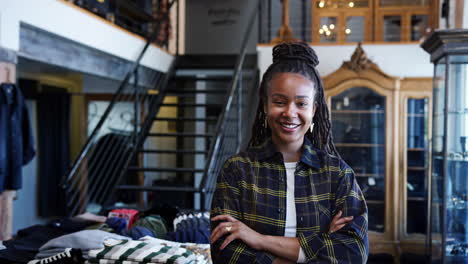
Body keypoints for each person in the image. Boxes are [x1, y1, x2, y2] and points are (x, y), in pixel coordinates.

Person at [210, 42, 368, 263]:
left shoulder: (338, 174)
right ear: (265, 105)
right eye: (279, 102)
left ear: (314, 109)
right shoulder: (237, 170)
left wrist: (259, 240)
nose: (290, 112)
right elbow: (224, 252)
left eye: (301, 104)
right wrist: (319, 246)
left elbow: (353, 254)